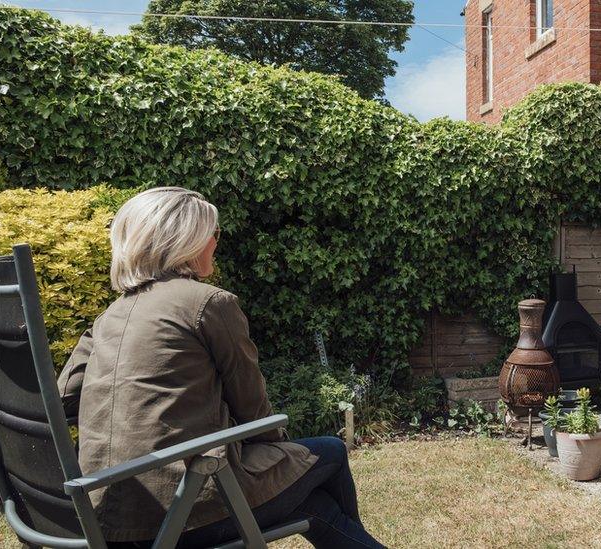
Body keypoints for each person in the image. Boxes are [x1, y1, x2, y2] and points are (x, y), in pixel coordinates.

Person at [57, 187, 383, 548]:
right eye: (213, 233)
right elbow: (254, 411)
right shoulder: (208, 303)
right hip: (183, 511)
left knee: (316, 506)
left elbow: (63, 401)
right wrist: (279, 456)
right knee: (331, 452)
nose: (216, 242)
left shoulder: (110, 316)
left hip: (108, 516)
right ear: (187, 241)